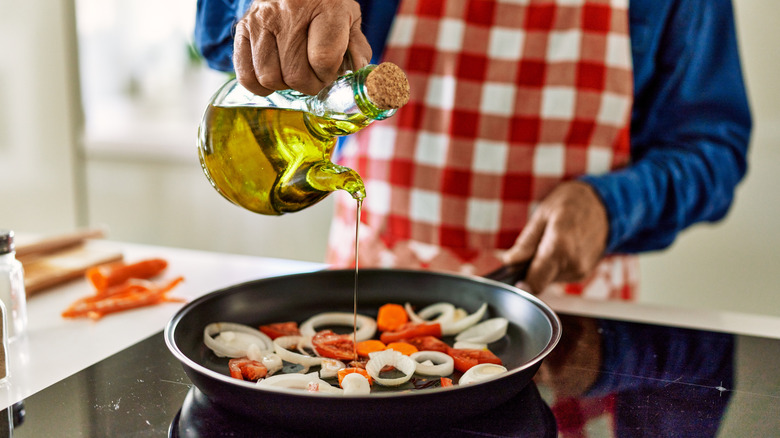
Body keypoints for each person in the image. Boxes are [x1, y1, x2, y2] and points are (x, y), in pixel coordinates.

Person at [194, 0, 751, 299]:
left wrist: (613, 207)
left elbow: (711, 145)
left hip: (573, 318)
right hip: (367, 298)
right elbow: (221, 35)